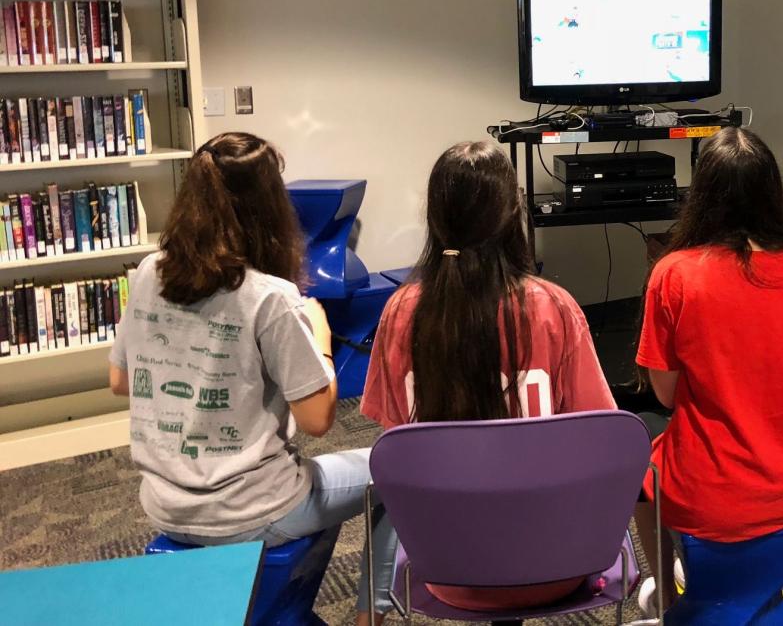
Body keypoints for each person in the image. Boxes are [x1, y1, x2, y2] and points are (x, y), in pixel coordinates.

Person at [108, 133, 393, 626]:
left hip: (163, 504)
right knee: (400, 466)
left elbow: (119, 379)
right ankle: (370, 617)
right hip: (253, 511)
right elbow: (318, 417)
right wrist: (321, 340)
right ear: (269, 205)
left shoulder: (150, 271)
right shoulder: (272, 297)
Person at [361, 140, 615, 618]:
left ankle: (366, 614)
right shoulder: (553, 307)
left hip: (445, 568)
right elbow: (599, 435)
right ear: (513, 213)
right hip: (557, 563)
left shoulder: (401, 312)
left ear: (435, 218)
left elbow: (395, 443)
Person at [634, 126, 783, 609]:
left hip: (708, 494)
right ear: (773, 194)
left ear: (701, 195)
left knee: (639, 469)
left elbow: (665, 396)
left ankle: (664, 591)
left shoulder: (675, 273)